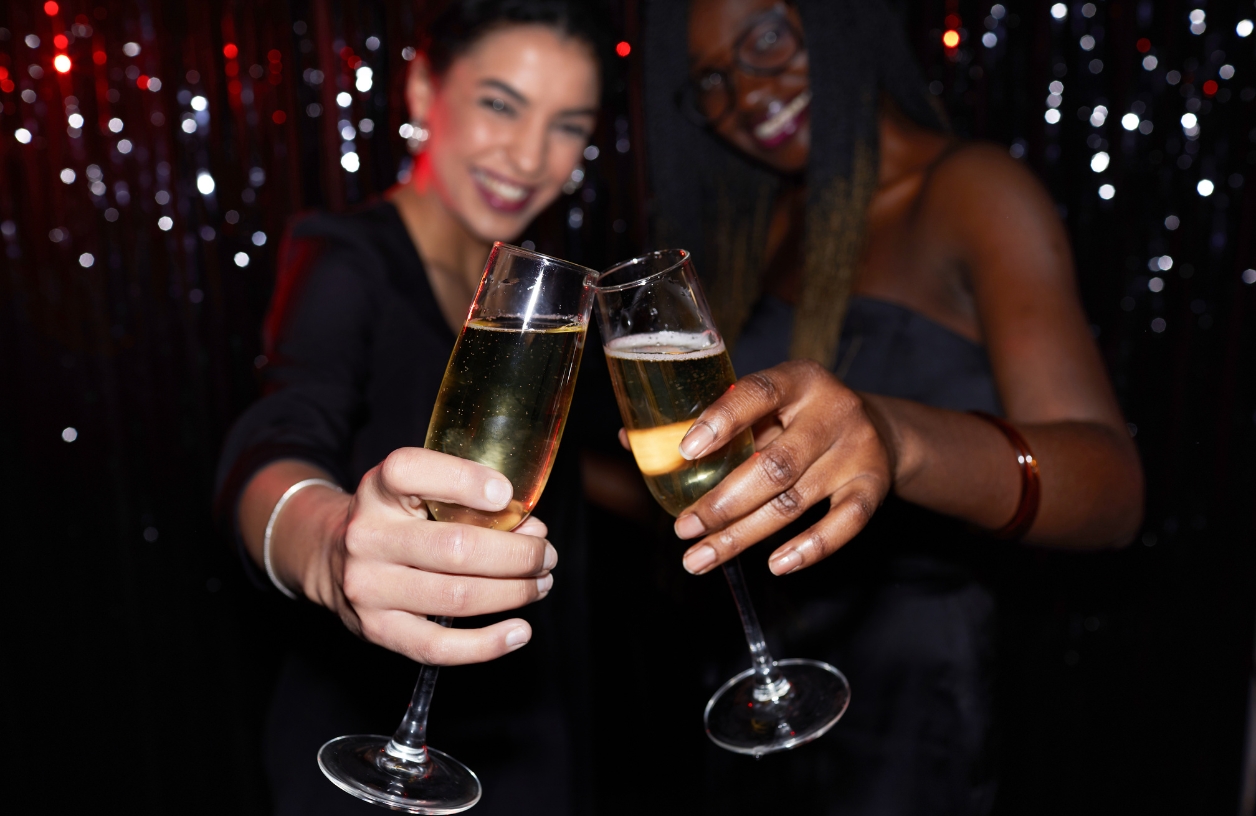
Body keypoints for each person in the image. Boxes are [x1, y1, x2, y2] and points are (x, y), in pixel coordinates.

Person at [627, 0, 1145, 813]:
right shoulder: (765, 227)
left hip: (913, 708)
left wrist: (895, 439)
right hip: (756, 688)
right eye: (711, 84)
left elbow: (1113, 494)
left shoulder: (971, 191)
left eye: (766, 37)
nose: (747, 94)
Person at [214, 2, 608, 814]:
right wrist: (326, 549)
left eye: (568, 125)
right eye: (501, 103)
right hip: (364, 743)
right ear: (425, 91)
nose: (531, 156)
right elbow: (271, 446)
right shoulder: (347, 258)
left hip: (524, 727)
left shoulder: (540, 296)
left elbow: (555, 474)